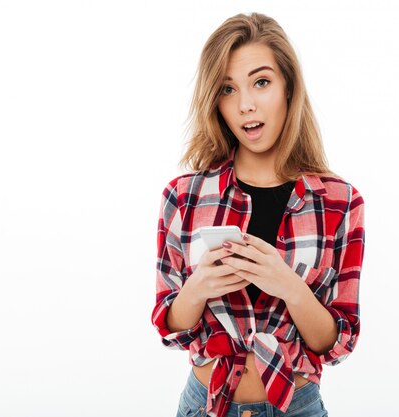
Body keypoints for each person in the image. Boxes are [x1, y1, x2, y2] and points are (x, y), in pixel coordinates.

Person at [151, 12, 365, 417]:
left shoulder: (340, 202)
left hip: (296, 407)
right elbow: (170, 325)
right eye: (228, 89)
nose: (246, 105)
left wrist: (289, 286)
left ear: (288, 87)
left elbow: (338, 341)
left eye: (261, 82)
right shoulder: (183, 197)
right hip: (205, 406)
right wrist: (200, 286)